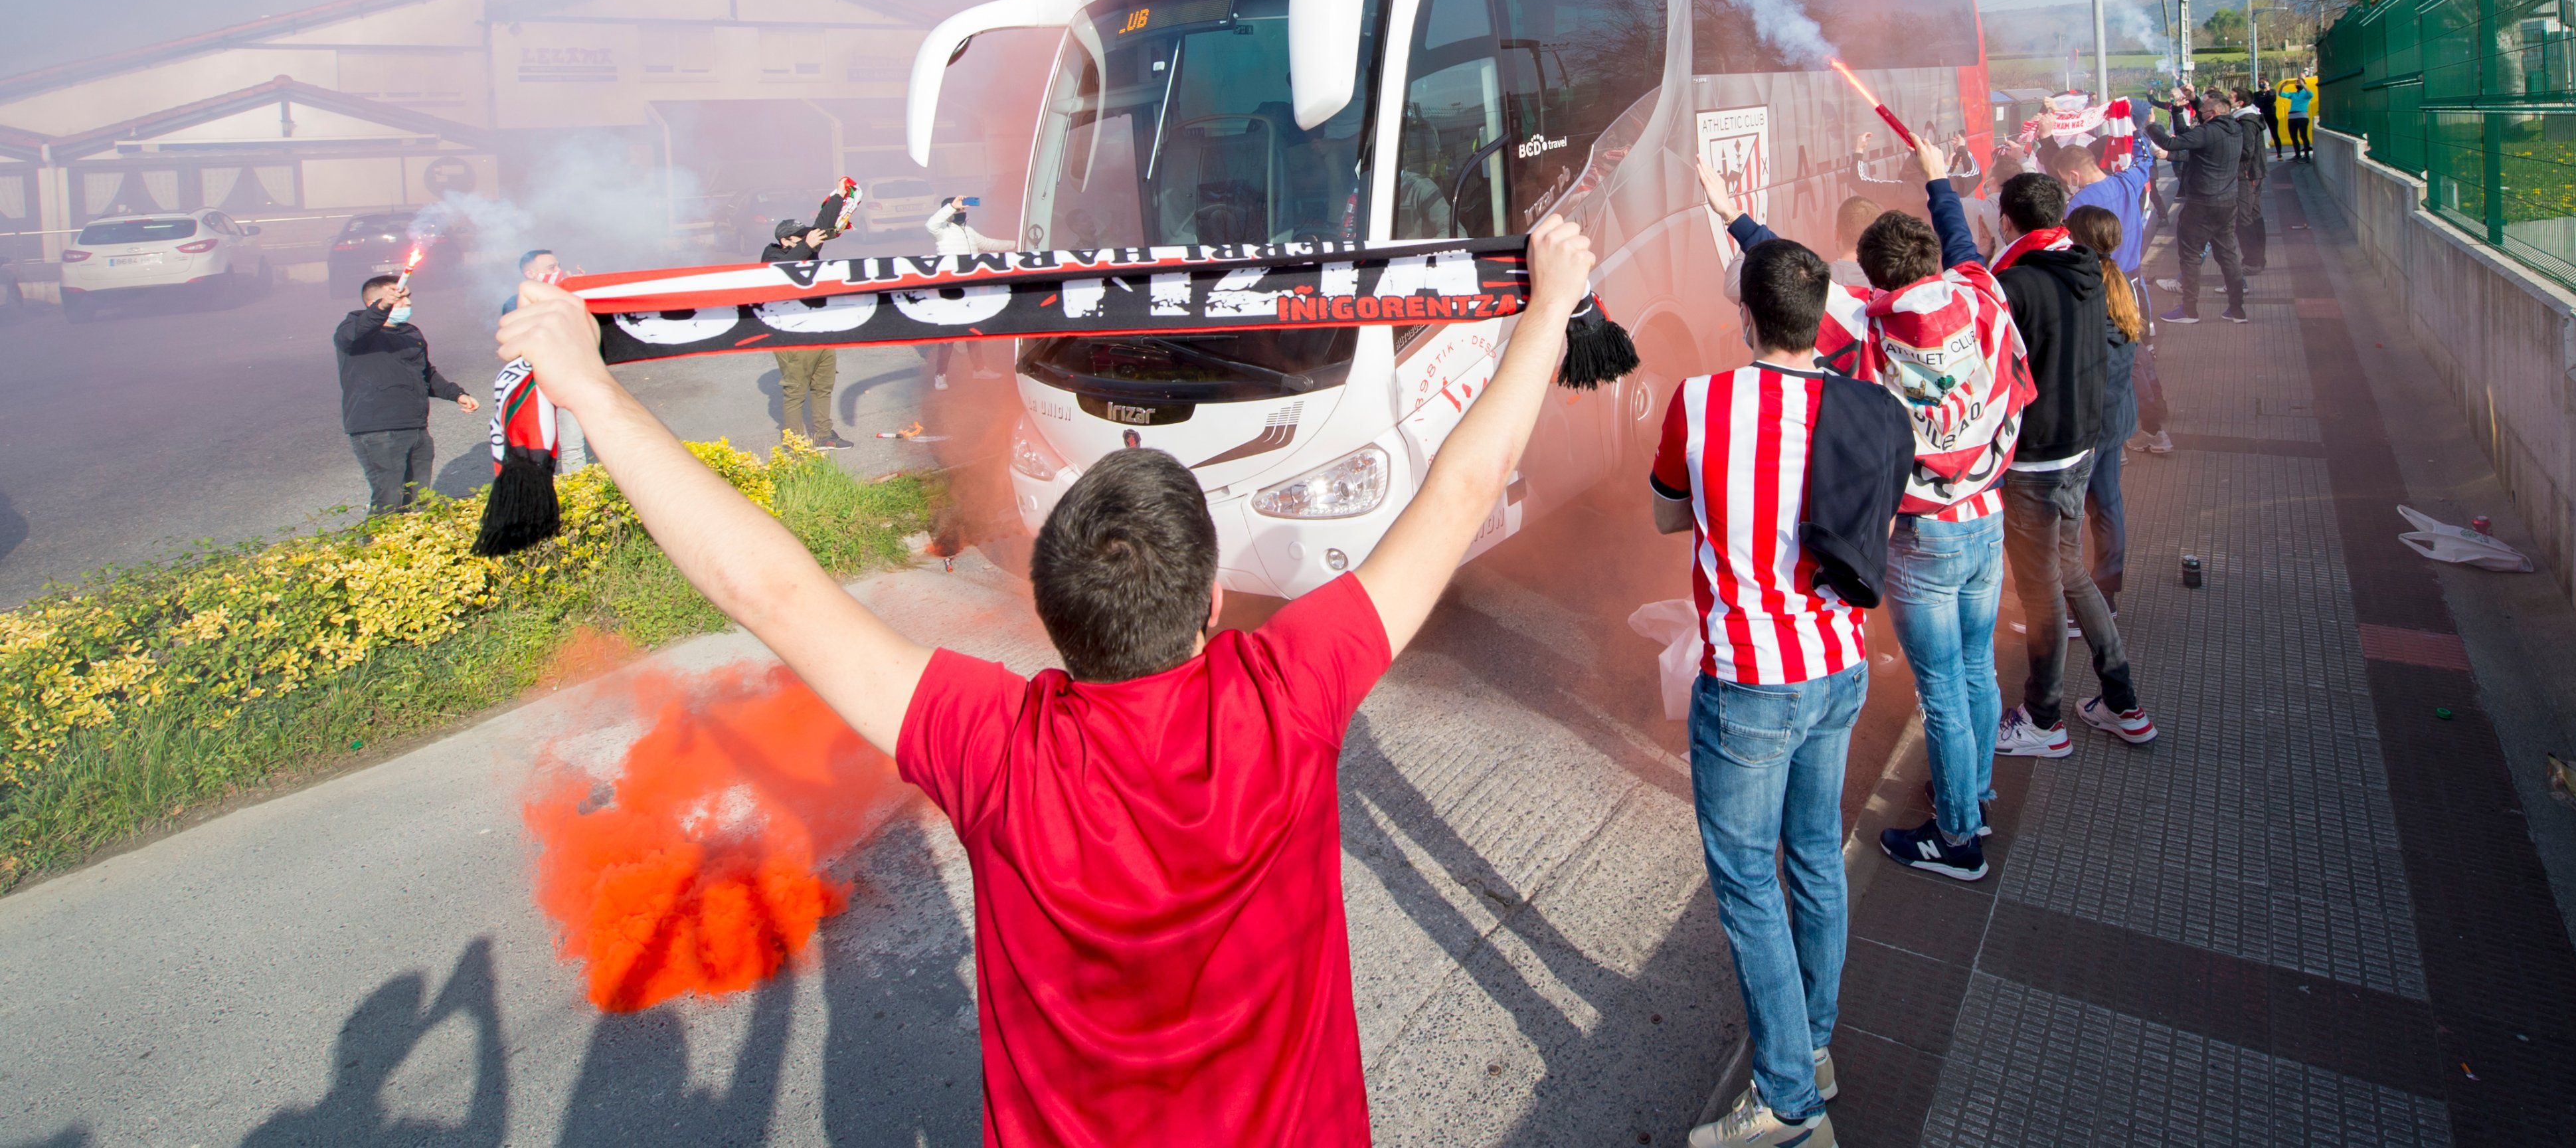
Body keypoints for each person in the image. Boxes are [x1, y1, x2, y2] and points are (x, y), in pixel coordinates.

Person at [496, 219, 1595, 1145]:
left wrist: (589, 389)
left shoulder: (992, 742)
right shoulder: (1287, 691)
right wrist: (1546, 312)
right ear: (1213, 602)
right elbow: (1454, 499)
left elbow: (769, 591)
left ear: (1050, 614)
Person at [1700, 150, 2029, 890]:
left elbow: (1789, 269)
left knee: (1939, 687)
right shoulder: (1977, 296)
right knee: (1975, 667)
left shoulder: (1864, 324)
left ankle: (1958, 838)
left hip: (1925, 534)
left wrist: (1732, 214)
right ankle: (1972, 790)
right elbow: (1964, 242)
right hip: (1988, 514)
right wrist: (1936, 176)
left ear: (1871, 278)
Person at [1655, 231, 1913, 1148]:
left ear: (1746, 316)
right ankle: (1814, 1046)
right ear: (1818, 316)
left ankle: (1789, 1105)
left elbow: (1663, 509)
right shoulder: (1867, 406)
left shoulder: (1700, 401)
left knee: (1747, 885)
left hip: (1749, 679)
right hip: (1837, 662)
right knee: (1813, 859)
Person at [1990, 171, 2158, 759]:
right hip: (2081, 453)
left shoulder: (2014, 285)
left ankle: (2043, 718)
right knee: (2071, 574)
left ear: (2008, 222)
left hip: (2036, 463)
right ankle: (2122, 702)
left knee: (2042, 594)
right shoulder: (2088, 268)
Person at [2047, 131, 2174, 458]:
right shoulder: (2126, 182)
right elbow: (2145, 160)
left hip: (2101, 287)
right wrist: (2136, 132)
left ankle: (2126, 436)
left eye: (2065, 180)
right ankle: (2153, 425)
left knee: (2118, 365)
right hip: (2133, 284)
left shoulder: (2081, 204)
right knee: (2140, 355)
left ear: (2073, 176)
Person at [333, 274, 477, 517]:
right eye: (399, 299)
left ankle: (413, 546)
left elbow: (425, 372)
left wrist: (456, 394)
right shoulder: (353, 328)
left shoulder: (410, 333)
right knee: (389, 500)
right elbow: (353, 336)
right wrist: (383, 307)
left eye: (408, 297)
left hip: (415, 427)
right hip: (378, 430)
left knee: (419, 500)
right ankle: (374, 549)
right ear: (374, 303)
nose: (407, 303)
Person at [2063, 205, 2144, 604]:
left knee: (2073, 510)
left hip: (2087, 421)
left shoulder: (2082, 289)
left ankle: (2078, 597)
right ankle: (2107, 591)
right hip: (2115, 416)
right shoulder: (2122, 282)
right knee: (2107, 501)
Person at [2140, 87, 2247, 325]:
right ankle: (2237, 310)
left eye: (2204, 108)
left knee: (2189, 255)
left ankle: (2189, 310)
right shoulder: (2234, 129)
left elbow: (2170, 142)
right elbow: (2188, 137)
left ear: (2214, 112)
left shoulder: (2210, 132)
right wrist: (2178, 111)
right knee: (2228, 255)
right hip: (2227, 202)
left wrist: (2149, 125)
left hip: (2202, 203)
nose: (2200, 111)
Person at [761, 217, 849, 448]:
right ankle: (795, 445)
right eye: (799, 237)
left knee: (823, 386)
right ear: (784, 240)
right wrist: (806, 245)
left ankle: (823, 436)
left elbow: (824, 224)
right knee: (796, 392)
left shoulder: (805, 251)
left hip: (819, 329)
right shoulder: (773, 257)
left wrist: (840, 198)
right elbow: (783, 271)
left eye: (805, 236)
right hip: (792, 335)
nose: (806, 239)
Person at [501, 248, 588, 472]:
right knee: (538, 448)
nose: (558, 271)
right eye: (551, 268)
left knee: (573, 445)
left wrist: (583, 290)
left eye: (558, 266)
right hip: (536, 385)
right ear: (530, 274)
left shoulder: (571, 297)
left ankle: (577, 495)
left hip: (569, 379)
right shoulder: (515, 303)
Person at [922, 195, 1013, 393]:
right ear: (948, 212)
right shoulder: (941, 232)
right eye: (957, 211)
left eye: (963, 210)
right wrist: (951, 207)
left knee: (973, 328)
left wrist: (1017, 244)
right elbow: (931, 224)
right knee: (950, 333)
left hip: (971, 288)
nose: (961, 214)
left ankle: (979, 369)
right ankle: (940, 375)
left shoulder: (970, 232)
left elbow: (990, 244)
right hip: (951, 289)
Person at [2232, 94, 2270, 268]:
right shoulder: (2248, 118)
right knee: (2253, 215)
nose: (2227, 98)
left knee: (2245, 217)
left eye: (2230, 96)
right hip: (2253, 173)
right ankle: (2257, 259)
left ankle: (2253, 261)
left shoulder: (2246, 121)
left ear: (2240, 103)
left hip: (2248, 174)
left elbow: (2247, 151)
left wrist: (2228, 153)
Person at [2250, 83, 2284, 159]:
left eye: (2264, 83)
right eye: (2261, 83)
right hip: (2261, 115)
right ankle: (2257, 154)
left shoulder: (2272, 92)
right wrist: (2265, 99)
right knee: (2258, 134)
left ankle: (2279, 153)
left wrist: (2268, 92)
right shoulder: (2256, 94)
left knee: (2275, 134)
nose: (2263, 85)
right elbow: (2258, 103)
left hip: (2271, 115)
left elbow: (2272, 99)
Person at [2285, 78, 2316, 160]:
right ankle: (2297, 155)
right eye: (2297, 83)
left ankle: (2307, 156)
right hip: (2292, 117)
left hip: (2302, 116)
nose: (2298, 84)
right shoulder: (2294, 94)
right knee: (2293, 137)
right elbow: (2281, 94)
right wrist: (2282, 86)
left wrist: (2303, 85)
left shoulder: (2306, 94)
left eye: (2299, 83)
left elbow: (2311, 94)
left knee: (2303, 136)